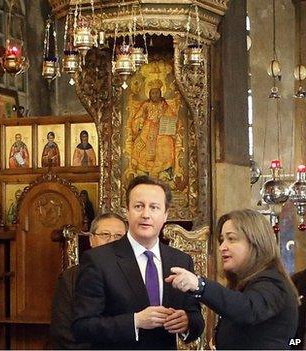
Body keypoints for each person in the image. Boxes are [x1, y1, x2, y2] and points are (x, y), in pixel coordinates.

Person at [72, 175, 204, 349]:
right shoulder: (99, 260)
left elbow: (196, 319)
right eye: (138, 206)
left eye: (154, 207)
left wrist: (187, 322)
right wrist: (134, 321)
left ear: (165, 215)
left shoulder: (180, 260)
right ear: (127, 211)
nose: (146, 215)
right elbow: (82, 327)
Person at [167, 209, 299, 349]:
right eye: (222, 240)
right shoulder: (245, 283)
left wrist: (201, 285)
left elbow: (248, 309)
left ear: (256, 242)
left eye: (231, 239)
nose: (222, 247)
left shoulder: (273, 282)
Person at [50, 213, 127, 349]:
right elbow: (63, 331)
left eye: (118, 236)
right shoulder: (71, 277)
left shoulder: (136, 275)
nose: (112, 241)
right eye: (105, 235)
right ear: (91, 240)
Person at [128, 79, 180, 180]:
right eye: (153, 93)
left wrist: (167, 120)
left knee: (166, 143)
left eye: (157, 93)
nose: (155, 95)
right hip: (147, 129)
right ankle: (143, 171)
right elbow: (137, 117)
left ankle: (163, 172)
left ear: (160, 94)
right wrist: (140, 121)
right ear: (149, 94)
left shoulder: (165, 105)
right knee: (140, 144)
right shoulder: (146, 105)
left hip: (161, 130)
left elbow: (172, 117)